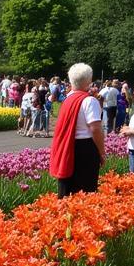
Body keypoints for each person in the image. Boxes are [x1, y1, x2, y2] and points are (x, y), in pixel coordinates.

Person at [49, 62, 105, 197]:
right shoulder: (89, 101)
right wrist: (102, 152)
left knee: (68, 187)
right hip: (85, 148)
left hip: (68, 146)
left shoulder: (68, 99)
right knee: (85, 189)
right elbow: (95, 129)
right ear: (89, 81)